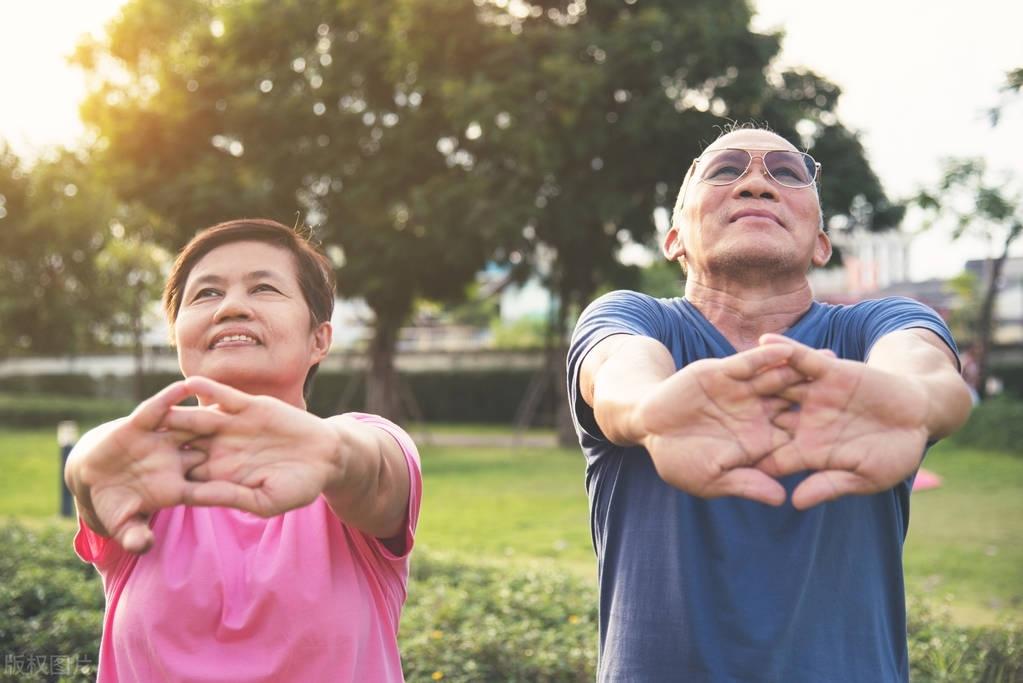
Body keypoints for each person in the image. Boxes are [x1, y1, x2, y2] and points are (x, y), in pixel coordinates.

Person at [566, 125, 973, 682]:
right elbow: (619, 375)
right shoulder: (631, 318)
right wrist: (649, 412)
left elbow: (926, 373)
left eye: (787, 173)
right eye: (724, 169)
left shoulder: (883, 323)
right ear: (674, 239)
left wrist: (915, 403)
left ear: (821, 243)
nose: (756, 182)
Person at [65, 219, 422, 682]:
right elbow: (94, 464)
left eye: (264, 289)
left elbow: (373, 472)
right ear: (177, 336)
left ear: (320, 339)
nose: (231, 307)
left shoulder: (357, 444)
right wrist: (86, 467)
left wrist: (332, 457)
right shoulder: (146, 458)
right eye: (207, 293)